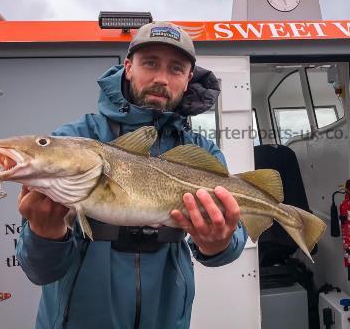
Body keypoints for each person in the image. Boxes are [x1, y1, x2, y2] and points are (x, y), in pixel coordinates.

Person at [16, 21, 248, 329]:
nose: (161, 79)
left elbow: (229, 247)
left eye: (176, 69)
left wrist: (217, 243)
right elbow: (39, 270)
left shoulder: (202, 152)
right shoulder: (75, 139)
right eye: (150, 63)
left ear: (188, 78)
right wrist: (45, 233)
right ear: (128, 67)